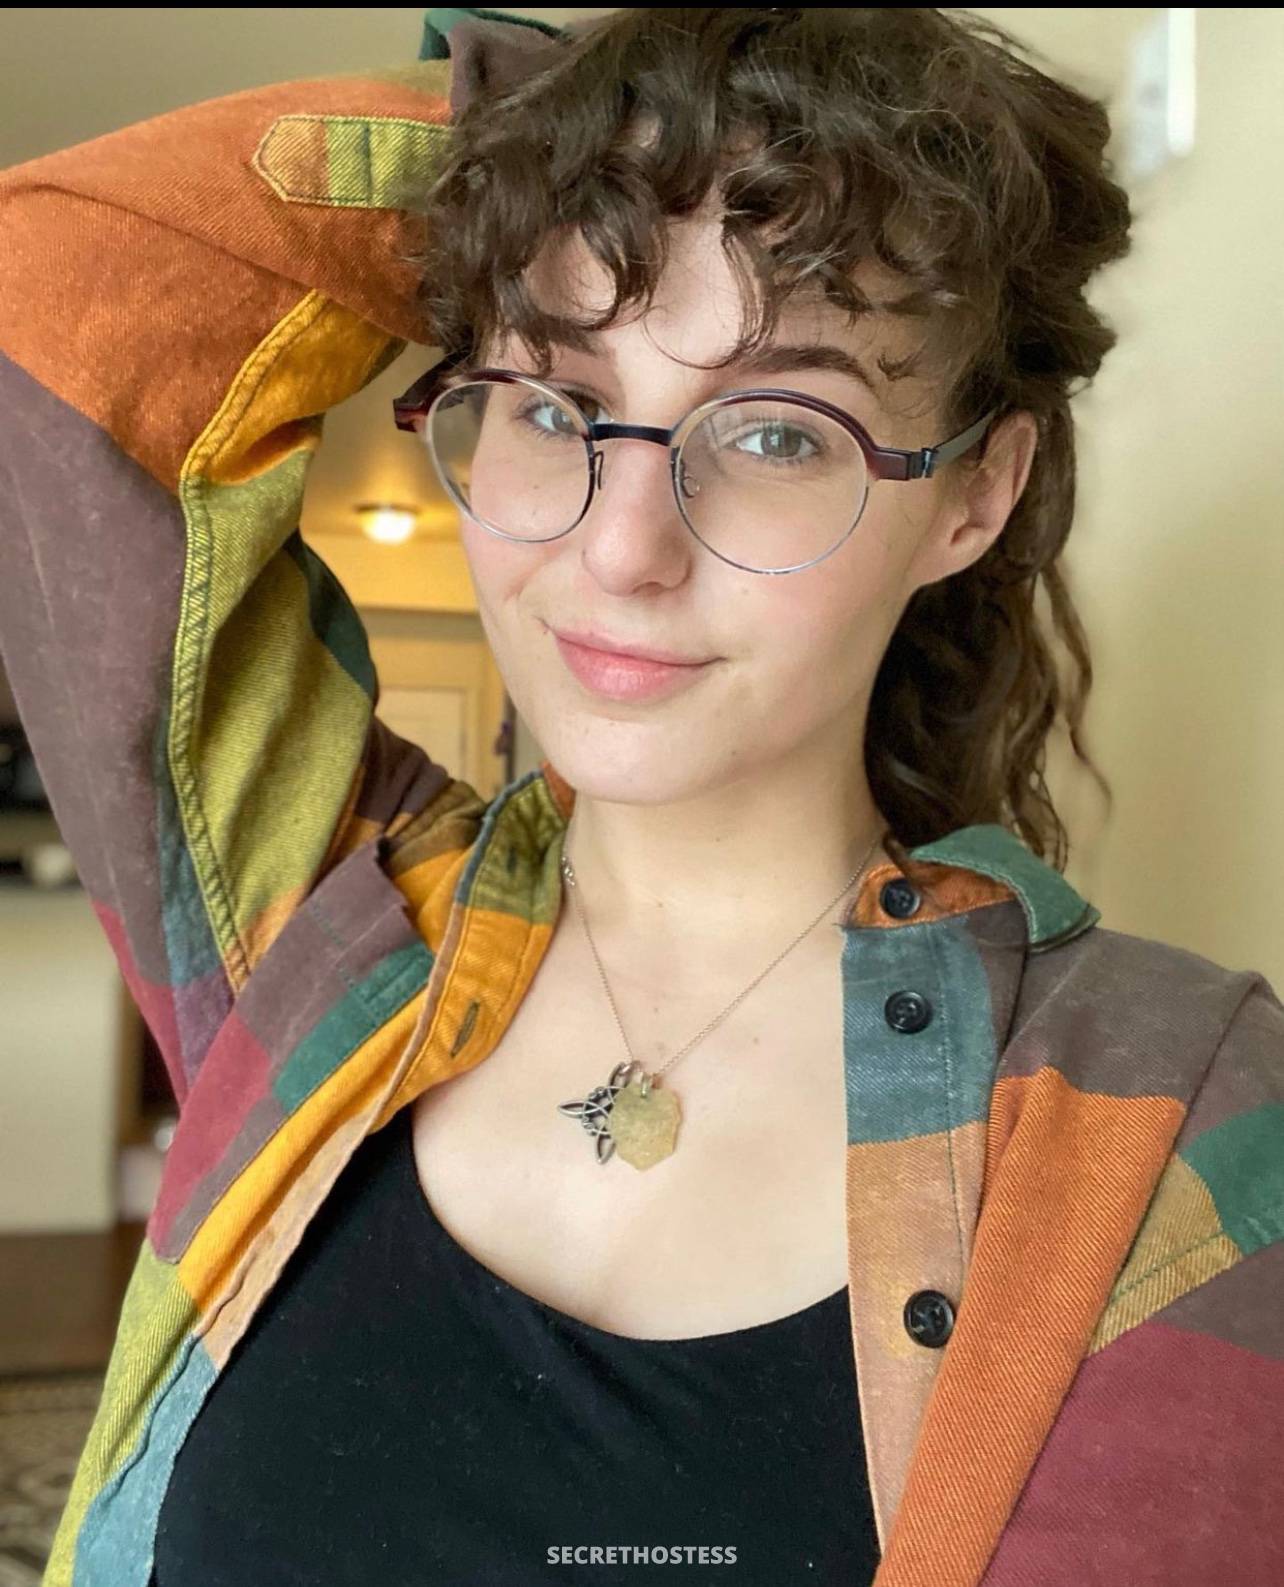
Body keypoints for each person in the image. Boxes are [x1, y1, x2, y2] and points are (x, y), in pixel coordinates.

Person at [0, 7, 1280, 1586]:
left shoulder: (1175, 1114)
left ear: (973, 495)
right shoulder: (316, 939)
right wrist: (587, 136)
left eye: (777, 432)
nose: (621, 548)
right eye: (552, 403)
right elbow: (55, 294)